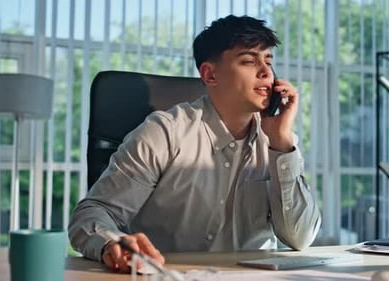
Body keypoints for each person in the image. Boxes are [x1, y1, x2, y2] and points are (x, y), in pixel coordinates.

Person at [69, 14, 321, 272]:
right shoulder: (163, 133)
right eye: (249, 61)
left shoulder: (277, 141)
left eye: (268, 61)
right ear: (210, 75)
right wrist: (113, 243)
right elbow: (92, 213)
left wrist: (281, 144)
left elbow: (299, 238)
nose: (266, 72)